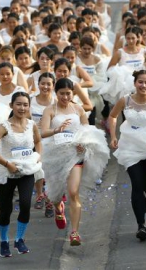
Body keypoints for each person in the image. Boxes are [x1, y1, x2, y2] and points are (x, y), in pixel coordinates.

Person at [40, 78, 109, 246]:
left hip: (75, 154)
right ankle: (58, 208)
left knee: (73, 192)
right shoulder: (50, 110)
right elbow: (42, 133)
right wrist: (57, 129)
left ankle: (74, 232)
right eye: (61, 93)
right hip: (55, 155)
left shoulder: (78, 109)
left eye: (68, 93)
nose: (65, 97)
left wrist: (82, 142)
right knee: (55, 194)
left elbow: (88, 130)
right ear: (56, 93)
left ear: (73, 93)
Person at [109, 70, 146, 241]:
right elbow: (113, 116)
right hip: (130, 148)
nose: (143, 85)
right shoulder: (125, 100)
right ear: (135, 83)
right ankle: (141, 225)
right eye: (140, 82)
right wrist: (114, 136)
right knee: (136, 183)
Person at [0, 92, 43, 257]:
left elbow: (38, 141)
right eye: (18, 104)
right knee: (6, 209)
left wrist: (38, 156)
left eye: (25, 104)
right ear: (12, 105)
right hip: (7, 173)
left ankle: (19, 239)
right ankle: (4, 242)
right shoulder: (4, 126)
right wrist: (7, 164)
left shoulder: (32, 125)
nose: (22, 108)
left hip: (27, 171)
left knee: (25, 204)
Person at [30, 72, 56, 218]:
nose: (45, 86)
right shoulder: (30, 100)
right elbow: (24, 119)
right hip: (33, 139)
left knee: (50, 171)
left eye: (49, 84)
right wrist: (34, 125)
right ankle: (40, 194)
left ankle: (50, 201)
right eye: (42, 83)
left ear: (53, 86)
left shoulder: (57, 101)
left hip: (52, 139)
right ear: (38, 84)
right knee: (38, 168)